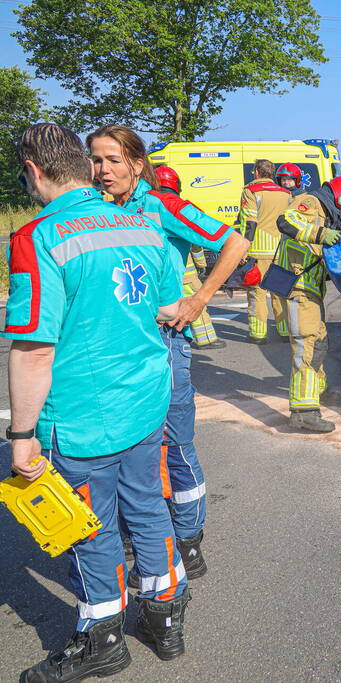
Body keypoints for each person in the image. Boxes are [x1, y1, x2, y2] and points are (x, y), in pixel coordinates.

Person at [8, 123, 191, 680]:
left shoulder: (39, 235)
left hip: (86, 416)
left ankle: (103, 636)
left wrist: (21, 437)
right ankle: (164, 618)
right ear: (86, 167)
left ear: (34, 172)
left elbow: (35, 349)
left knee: (89, 528)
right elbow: (169, 304)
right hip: (145, 399)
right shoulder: (141, 221)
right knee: (147, 506)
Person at [88, 125, 250, 582]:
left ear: (137, 164)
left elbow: (234, 242)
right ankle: (139, 535)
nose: (103, 170)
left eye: (113, 160)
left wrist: (198, 301)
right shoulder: (96, 210)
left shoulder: (159, 205)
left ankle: (188, 538)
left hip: (164, 341)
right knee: (124, 447)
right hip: (116, 348)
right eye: (96, 160)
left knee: (174, 444)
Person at [276, 177, 341, 432]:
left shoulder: (322, 212)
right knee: (308, 347)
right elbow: (286, 221)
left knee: (319, 343)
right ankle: (303, 412)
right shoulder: (310, 201)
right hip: (298, 289)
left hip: (308, 290)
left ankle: (316, 393)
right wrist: (323, 235)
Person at [155, 164, 224, 349]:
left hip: (160, 277)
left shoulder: (147, 208)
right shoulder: (177, 208)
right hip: (186, 272)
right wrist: (202, 263)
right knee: (195, 305)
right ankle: (207, 339)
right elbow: (195, 243)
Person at [239, 159, 292, 343]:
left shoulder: (250, 191)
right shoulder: (286, 193)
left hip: (258, 251)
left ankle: (258, 334)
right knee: (280, 292)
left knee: (257, 294)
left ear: (256, 172)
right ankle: (285, 331)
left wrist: (243, 249)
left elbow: (249, 223)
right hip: (281, 251)